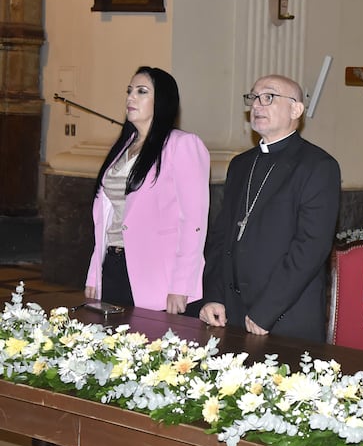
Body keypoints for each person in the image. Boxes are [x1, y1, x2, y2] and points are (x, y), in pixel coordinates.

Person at [199, 75, 341, 342]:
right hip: (231, 313)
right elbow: (220, 237)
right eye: (253, 97)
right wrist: (214, 295)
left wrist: (266, 310)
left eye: (268, 97)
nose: (256, 105)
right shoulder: (240, 164)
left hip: (284, 316)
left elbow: (311, 247)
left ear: (296, 110)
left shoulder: (318, 166)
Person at [85, 66, 210, 313]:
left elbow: (193, 222)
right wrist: (94, 273)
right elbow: (106, 218)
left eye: (141, 92)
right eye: (129, 91)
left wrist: (181, 284)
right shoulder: (124, 147)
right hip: (113, 264)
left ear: (162, 100)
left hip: (157, 274)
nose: (131, 97)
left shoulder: (182, 145)